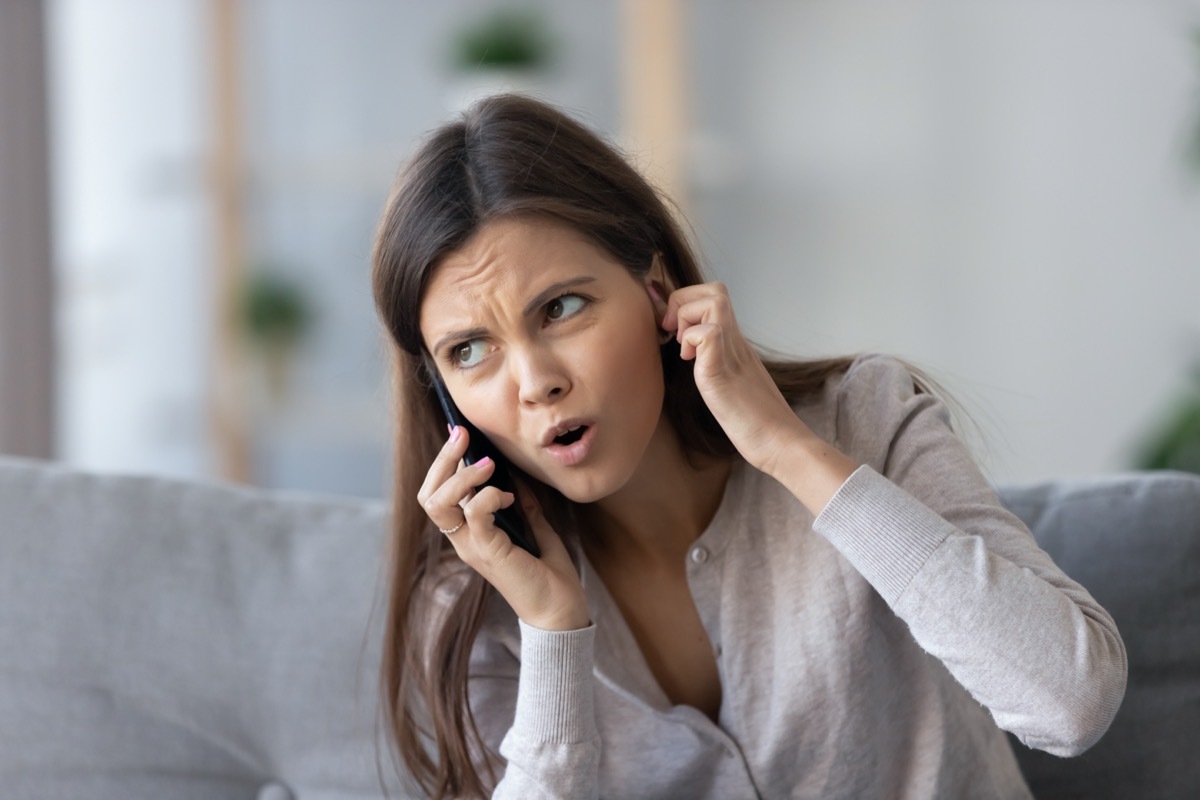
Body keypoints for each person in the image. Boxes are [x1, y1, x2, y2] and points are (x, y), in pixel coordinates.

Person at [369, 94, 1126, 799]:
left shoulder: (863, 419)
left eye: (562, 307)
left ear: (658, 292)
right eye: (470, 352)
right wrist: (551, 631)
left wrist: (787, 449)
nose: (535, 383)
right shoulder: (477, 601)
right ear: (440, 395)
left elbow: (1072, 703)